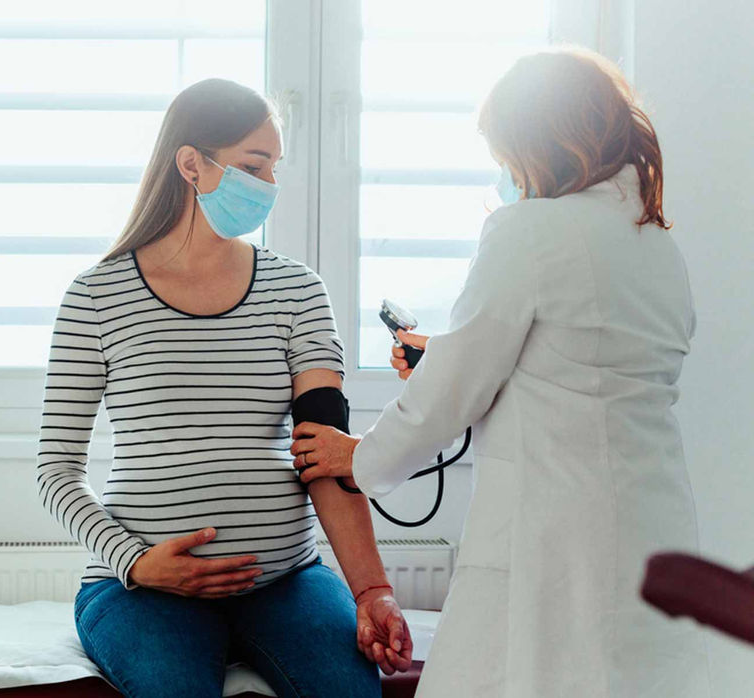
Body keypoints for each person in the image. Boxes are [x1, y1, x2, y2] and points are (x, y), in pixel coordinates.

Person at [290, 48, 710, 697]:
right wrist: (458, 360)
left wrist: (357, 456)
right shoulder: (656, 242)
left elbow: (450, 395)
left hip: (557, 537)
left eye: (506, 153)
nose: (508, 172)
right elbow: (580, 368)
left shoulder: (530, 230)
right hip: (654, 527)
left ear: (538, 140)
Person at [36, 78, 411, 698]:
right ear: (191, 164)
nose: (267, 186)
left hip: (286, 579)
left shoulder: (298, 292)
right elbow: (55, 469)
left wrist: (373, 590)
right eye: (253, 165)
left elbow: (326, 455)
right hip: (140, 589)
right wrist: (134, 562)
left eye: (273, 169)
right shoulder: (96, 296)